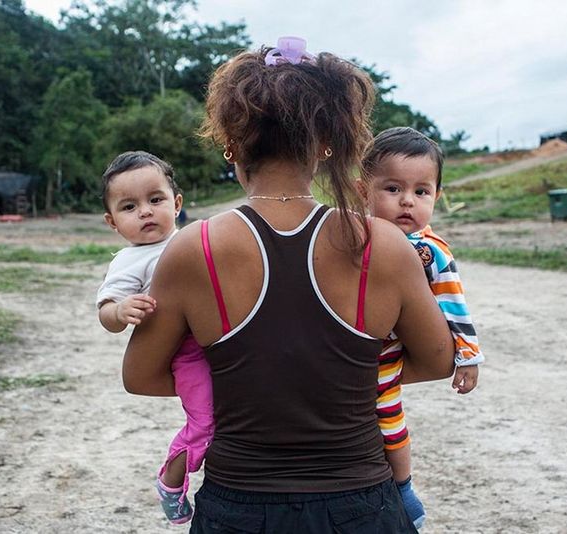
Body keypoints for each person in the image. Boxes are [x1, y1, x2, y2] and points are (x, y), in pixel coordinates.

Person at [122, 36, 455, 533]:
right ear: (325, 144)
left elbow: (141, 376)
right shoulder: (383, 243)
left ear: (231, 143)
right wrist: (342, 376)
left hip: (238, 508)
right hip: (362, 506)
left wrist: (250, 383)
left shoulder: (195, 248)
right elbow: (438, 359)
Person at [360, 126, 485, 528]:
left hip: (389, 352)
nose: (407, 202)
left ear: (437, 197)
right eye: (392, 189)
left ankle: (403, 488)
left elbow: (453, 302)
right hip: (352, 346)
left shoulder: (428, 250)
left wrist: (468, 354)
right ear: (364, 191)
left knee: (387, 416)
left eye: (421, 191)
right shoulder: (355, 234)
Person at [96, 151, 212, 525]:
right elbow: (107, 312)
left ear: (176, 204)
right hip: (188, 354)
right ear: (112, 222)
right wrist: (121, 311)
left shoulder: (196, 238)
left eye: (155, 199)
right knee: (206, 423)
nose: (145, 211)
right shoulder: (129, 262)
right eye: (130, 206)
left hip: (224, 339)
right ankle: (172, 482)